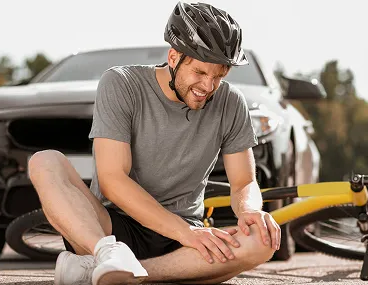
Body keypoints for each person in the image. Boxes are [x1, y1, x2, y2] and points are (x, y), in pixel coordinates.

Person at [28, 2, 281, 285]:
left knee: (262, 241)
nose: (208, 86)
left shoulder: (232, 103)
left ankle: (103, 272)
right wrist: (184, 233)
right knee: (44, 160)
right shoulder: (121, 83)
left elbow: (244, 182)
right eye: (200, 72)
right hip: (112, 228)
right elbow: (112, 180)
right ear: (174, 57)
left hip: (185, 238)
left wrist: (250, 211)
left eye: (219, 76)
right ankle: (107, 257)